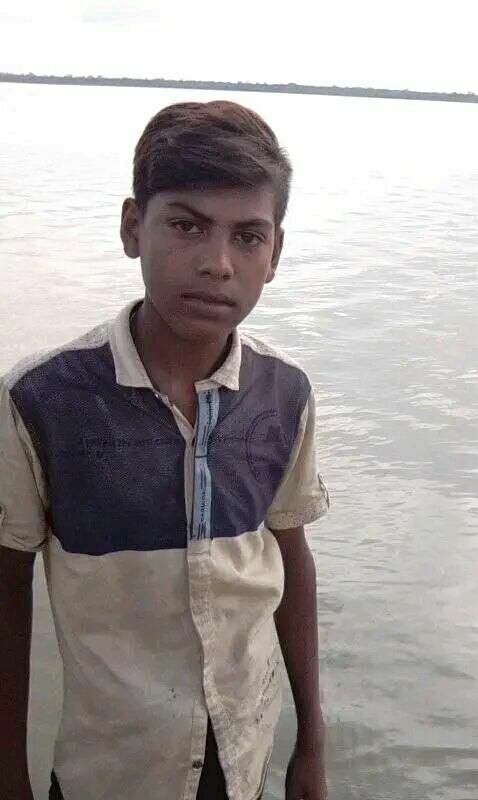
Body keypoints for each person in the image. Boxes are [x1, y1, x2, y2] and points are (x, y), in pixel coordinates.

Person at [0, 100, 330, 800]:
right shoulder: (42, 399)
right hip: (110, 770)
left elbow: (290, 557)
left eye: (248, 236)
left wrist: (312, 743)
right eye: (186, 226)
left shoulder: (284, 393)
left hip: (244, 760)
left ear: (274, 254)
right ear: (132, 227)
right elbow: (6, 591)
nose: (217, 264)